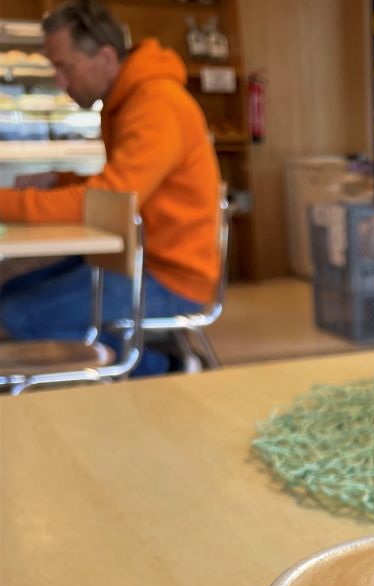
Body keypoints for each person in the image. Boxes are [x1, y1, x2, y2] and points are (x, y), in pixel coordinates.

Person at [0, 0, 221, 376]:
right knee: (8, 295)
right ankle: (115, 352)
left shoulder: (156, 104)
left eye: (63, 67)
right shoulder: (128, 101)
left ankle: (164, 365)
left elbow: (114, 198)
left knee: (18, 315)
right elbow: (122, 186)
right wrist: (61, 180)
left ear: (104, 57)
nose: (59, 80)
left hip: (169, 276)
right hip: (135, 256)